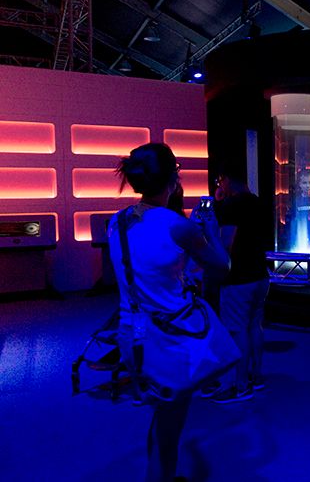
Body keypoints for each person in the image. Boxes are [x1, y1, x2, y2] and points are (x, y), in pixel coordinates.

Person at [108, 143, 230, 482]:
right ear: (173, 179)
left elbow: (148, 267)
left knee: (162, 417)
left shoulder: (117, 222)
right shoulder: (178, 226)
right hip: (170, 337)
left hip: (131, 334)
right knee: (170, 426)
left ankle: (159, 475)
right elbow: (222, 266)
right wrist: (211, 230)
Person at [207, 163, 271, 403]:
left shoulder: (232, 205)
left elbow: (225, 245)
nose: (219, 186)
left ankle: (240, 385)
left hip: (238, 277)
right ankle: (256, 376)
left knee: (236, 330)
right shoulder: (258, 202)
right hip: (260, 274)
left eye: (219, 181)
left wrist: (209, 230)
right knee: (255, 326)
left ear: (225, 178)